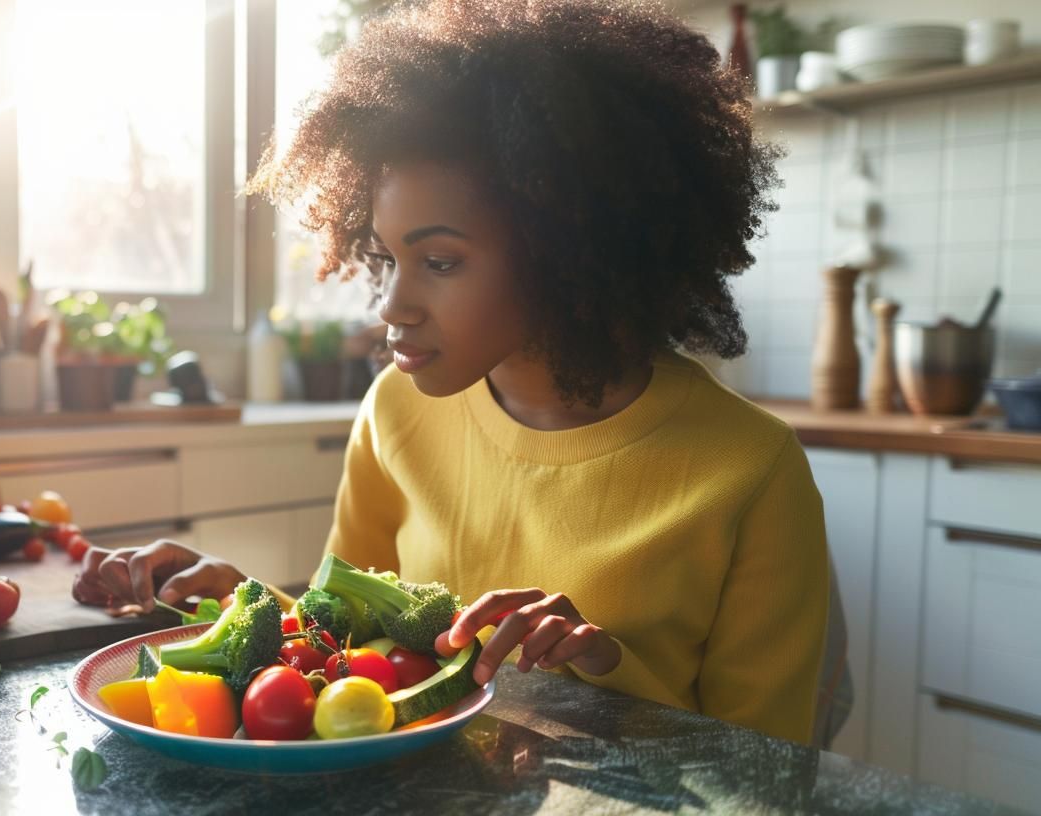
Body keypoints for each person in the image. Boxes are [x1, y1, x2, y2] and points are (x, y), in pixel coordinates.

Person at [73, 0, 828, 744]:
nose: (393, 304)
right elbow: (351, 646)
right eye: (390, 257)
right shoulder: (396, 409)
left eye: (439, 262)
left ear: (569, 250)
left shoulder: (750, 471)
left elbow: (768, 770)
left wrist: (599, 664)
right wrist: (234, 601)